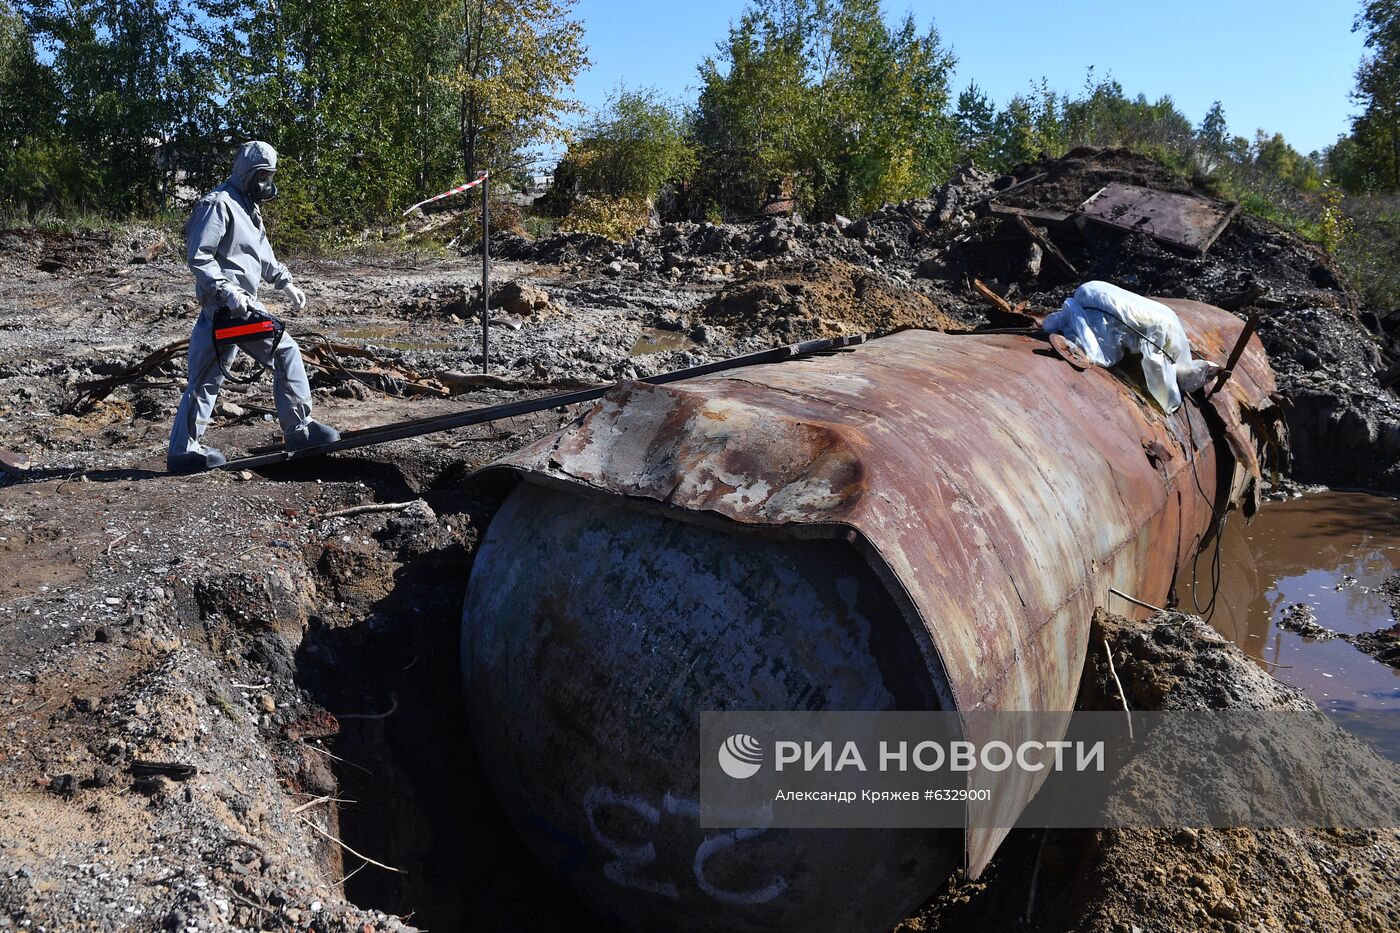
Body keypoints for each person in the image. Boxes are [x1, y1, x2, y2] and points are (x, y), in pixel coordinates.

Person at [167, 141, 339, 473]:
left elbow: (262, 252)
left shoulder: (248, 208)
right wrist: (226, 290)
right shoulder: (218, 205)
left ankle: (182, 450)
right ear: (247, 173)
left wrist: (285, 281)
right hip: (230, 309)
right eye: (263, 176)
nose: (267, 183)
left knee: (205, 376)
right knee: (284, 350)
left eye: (270, 176)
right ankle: (299, 430)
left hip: (235, 308)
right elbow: (199, 256)